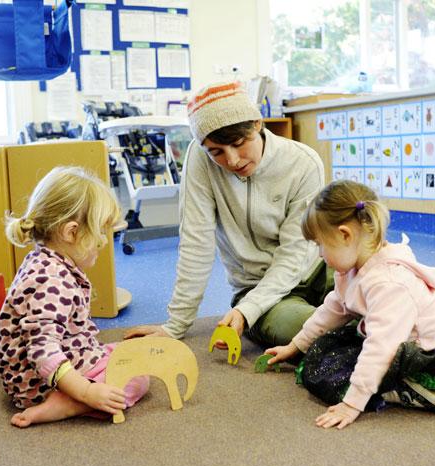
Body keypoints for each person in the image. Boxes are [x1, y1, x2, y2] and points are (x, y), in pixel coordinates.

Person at [266, 180, 435, 430]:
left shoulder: (388, 283)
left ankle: (408, 388)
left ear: (345, 234)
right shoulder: (351, 268)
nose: (320, 254)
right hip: (391, 338)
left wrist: (352, 403)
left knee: (332, 377)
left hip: (425, 352)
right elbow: (333, 308)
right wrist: (296, 345)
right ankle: (394, 382)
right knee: (326, 348)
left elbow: (381, 347)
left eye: (320, 244)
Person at [125, 80, 333, 348]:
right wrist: (176, 325)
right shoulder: (200, 160)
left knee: (381, 291)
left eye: (238, 143)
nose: (232, 160)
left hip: (317, 268)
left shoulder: (303, 162)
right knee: (313, 330)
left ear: (257, 123)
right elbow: (196, 243)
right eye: (217, 152)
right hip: (256, 290)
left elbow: (295, 252)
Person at [0, 166, 149, 428]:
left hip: (58, 361)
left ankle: (77, 392)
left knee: (133, 355)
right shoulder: (51, 279)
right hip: (41, 382)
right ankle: (68, 404)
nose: (104, 242)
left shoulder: (45, 260)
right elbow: (42, 350)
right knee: (138, 377)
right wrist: (86, 392)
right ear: (71, 232)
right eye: (100, 232)